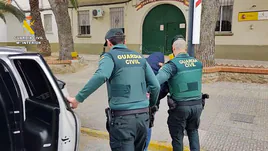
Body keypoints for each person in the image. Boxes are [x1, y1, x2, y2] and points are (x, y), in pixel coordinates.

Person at [67, 28, 160, 151]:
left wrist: (78, 99)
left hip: (123, 120)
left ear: (109, 43)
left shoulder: (109, 56)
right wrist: (150, 105)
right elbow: (156, 86)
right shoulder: (140, 57)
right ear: (125, 41)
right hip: (143, 117)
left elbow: (101, 75)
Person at [156, 37, 203, 151]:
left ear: (173, 48)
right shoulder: (198, 63)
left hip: (180, 107)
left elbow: (156, 82)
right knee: (193, 131)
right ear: (186, 49)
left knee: (177, 137)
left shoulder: (171, 65)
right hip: (198, 105)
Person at [144, 52, 169, 151]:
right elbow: (162, 91)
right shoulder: (160, 74)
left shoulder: (143, 66)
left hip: (136, 107)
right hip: (150, 107)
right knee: (148, 127)